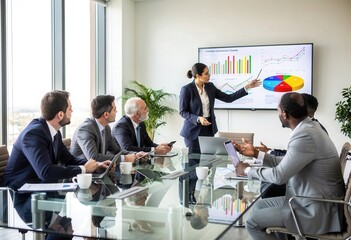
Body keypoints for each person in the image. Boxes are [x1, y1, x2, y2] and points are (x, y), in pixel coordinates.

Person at [1, 90, 111, 240]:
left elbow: (69, 160)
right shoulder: (33, 134)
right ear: (60, 115)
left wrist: (95, 164)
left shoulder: (53, 132)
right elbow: (45, 171)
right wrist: (84, 169)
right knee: (69, 229)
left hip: (42, 191)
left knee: (73, 221)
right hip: (20, 198)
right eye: (70, 108)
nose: (72, 111)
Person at [234, 92, 345, 239]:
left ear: (285, 115)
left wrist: (247, 170)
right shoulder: (310, 127)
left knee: (252, 221)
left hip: (318, 209)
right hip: (311, 199)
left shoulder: (305, 135)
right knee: (259, 206)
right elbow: (285, 163)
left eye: (278, 110)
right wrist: (256, 153)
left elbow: (279, 176)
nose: (278, 113)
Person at [257, 93, 328, 198]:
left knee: (269, 186)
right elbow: (293, 155)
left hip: (311, 194)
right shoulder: (312, 127)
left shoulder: (307, 133)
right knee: (267, 185)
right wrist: (263, 152)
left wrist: (248, 170)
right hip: (309, 186)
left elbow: (280, 174)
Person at [179, 62, 261, 153]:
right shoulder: (187, 89)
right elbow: (183, 111)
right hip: (192, 132)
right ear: (198, 75)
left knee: (208, 162)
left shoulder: (210, 87)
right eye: (206, 74)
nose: (209, 75)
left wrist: (248, 87)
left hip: (208, 129)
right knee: (193, 163)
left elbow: (228, 98)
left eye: (209, 73)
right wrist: (198, 118)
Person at [70, 95, 147, 165]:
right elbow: (94, 158)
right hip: (82, 175)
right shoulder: (85, 129)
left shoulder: (106, 128)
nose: (116, 112)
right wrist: (125, 159)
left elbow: (117, 151)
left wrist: (135, 155)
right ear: (106, 114)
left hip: (99, 171)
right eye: (114, 109)